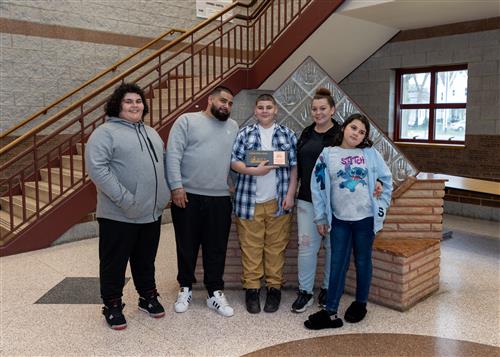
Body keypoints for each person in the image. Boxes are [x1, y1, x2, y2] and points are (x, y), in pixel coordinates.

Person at [85, 82, 171, 330]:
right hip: (119, 214)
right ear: (117, 105)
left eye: (138, 101)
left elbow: (162, 165)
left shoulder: (151, 132)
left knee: (146, 259)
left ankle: (147, 297)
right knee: (114, 262)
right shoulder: (105, 133)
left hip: (151, 212)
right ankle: (112, 305)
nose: (135, 105)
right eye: (128, 101)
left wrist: (163, 194)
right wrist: (125, 199)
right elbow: (97, 170)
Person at [304, 113, 392, 330]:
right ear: (344, 128)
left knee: (363, 261)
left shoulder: (370, 154)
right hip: (340, 221)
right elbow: (317, 186)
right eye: (354, 128)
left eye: (362, 132)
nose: (357, 134)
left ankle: (360, 304)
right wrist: (321, 216)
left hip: (365, 220)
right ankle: (330, 311)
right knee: (337, 264)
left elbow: (386, 180)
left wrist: (381, 205)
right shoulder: (328, 154)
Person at [166, 86, 239, 317]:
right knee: (186, 245)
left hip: (219, 198)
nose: (226, 106)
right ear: (210, 100)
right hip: (187, 196)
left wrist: (233, 181)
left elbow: (236, 158)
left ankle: (214, 292)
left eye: (229, 103)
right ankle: (185, 287)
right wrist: (176, 186)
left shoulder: (234, 127)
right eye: (222, 101)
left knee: (216, 248)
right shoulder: (186, 121)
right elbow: (173, 154)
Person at [231, 94, 298, 314]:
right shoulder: (245, 133)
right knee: (250, 248)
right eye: (261, 107)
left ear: (276, 109)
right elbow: (234, 162)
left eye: (269, 107)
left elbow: (294, 168)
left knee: (275, 248)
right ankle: (252, 289)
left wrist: (290, 194)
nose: (265, 111)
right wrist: (254, 170)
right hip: (249, 201)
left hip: (278, 201)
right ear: (255, 110)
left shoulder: (287, 134)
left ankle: (274, 289)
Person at [291, 88, 340, 313]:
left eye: (323, 109)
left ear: (332, 110)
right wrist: (291, 192)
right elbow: (297, 168)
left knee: (332, 247)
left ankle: (328, 289)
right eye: (314, 109)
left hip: (335, 203)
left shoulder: (341, 135)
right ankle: (305, 292)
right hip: (307, 201)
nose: (318, 113)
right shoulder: (307, 133)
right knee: (307, 247)